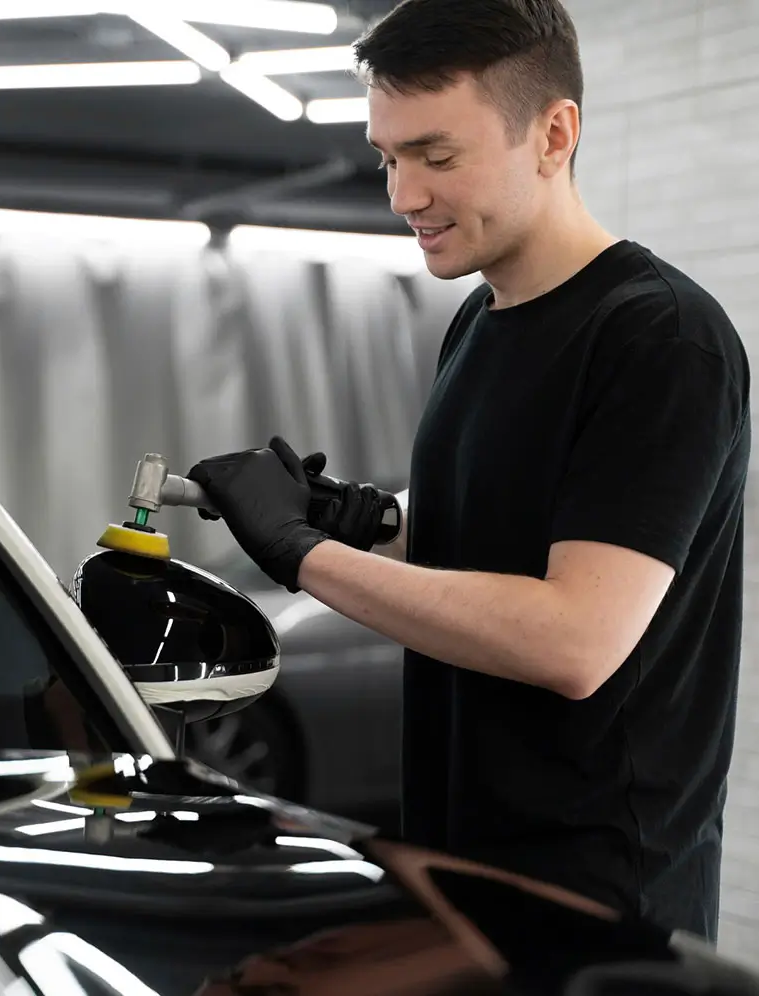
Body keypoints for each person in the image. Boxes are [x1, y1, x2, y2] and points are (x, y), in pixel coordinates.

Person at [187, 0, 751, 943]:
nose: (401, 195)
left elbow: (573, 640)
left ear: (553, 135)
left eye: (435, 156)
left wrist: (300, 554)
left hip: (601, 909)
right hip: (465, 866)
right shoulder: (479, 321)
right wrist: (358, 516)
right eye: (386, 158)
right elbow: (504, 522)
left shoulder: (658, 338)